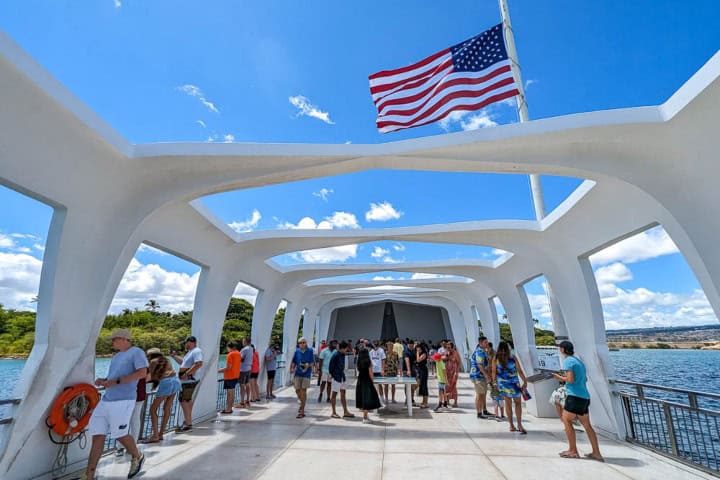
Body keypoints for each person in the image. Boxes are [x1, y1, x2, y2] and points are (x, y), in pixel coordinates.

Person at [82, 329, 147, 480]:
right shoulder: (117, 356)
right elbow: (115, 377)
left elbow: (142, 373)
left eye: (114, 339)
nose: (112, 342)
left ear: (124, 339)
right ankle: (89, 476)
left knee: (119, 434)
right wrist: (105, 380)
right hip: (106, 400)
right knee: (97, 435)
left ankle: (137, 456)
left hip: (123, 400)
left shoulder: (136, 352)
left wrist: (116, 382)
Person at [553, 341, 604, 462]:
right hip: (584, 397)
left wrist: (558, 377)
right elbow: (584, 379)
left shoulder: (568, 361)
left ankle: (572, 451)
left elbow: (570, 380)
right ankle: (596, 453)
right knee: (587, 425)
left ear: (562, 350)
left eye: (559, 348)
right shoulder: (578, 361)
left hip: (574, 396)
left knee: (566, 420)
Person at [145, 348, 181, 441]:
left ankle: (155, 435)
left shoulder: (153, 362)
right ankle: (161, 434)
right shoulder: (167, 360)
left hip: (166, 383)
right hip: (175, 381)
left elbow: (148, 378)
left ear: (150, 356)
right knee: (167, 408)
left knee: (153, 409)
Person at [492, 341, 527, 434]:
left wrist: (494, 383)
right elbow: (520, 371)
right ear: (508, 348)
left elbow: (493, 372)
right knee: (518, 404)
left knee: (508, 404)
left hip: (503, 384)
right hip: (514, 383)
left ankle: (511, 425)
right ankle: (519, 424)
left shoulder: (496, 358)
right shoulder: (512, 358)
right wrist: (525, 381)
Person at [171, 335, 203, 432]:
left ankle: (188, 424)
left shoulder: (197, 351)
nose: (185, 344)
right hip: (187, 380)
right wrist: (174, 356)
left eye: (186, 342)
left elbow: (199, 363)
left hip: (189, 380)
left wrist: (187, 374)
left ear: (192, 342)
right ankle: (187, 421)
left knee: (183, 401)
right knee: (187, 400)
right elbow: (183, 363)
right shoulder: (190, 352)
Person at [329, 341, 355, 419]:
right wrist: (333, 376)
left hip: (342, 377)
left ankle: (345, 411)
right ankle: (333, 412)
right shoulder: (335, 355)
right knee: (334, 394)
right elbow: (331, 367)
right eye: (346, 348)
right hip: (336, 377)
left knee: (343, 393)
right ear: (343, 348)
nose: (347, 350)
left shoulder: (342, 354)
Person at [355, 347, 381, 423]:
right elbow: (371, 373)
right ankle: (365, 417)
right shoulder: (368, 362)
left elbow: (358, 370)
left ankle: (365, 416)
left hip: (360, 380)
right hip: (367, 381)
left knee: (363, 398)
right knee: (368, 398)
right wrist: (372, 380)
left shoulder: (358, 362)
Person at [290, 337, 314, 418]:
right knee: (297, 390)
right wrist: (292, 368)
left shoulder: (310, 351)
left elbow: (312, 363)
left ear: (306, 343)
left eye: (303, 342)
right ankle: (302, 402)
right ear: (298, 344)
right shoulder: (297, 351)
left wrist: (307, 365)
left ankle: (302, 411)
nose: (302, 344)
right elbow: (294, 361)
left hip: (306, 374)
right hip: (297, 373)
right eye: (300, 343)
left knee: (303, 391)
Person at [469, 336, 492, 418]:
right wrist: (486, 375)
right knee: (479, 394)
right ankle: (479, 413)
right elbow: (480, 365)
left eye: (487, 342)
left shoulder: (483, 351)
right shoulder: (479, 352)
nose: (487, 343)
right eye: (485, 342)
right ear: (480, 343)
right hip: (478, 376)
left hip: (481, 376)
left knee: (483, 394)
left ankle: (484, 410)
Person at [218, 341, 240, 414]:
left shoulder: (230, 354)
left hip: (229, 376)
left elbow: (228, 367)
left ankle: (228, 409)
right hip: (236, 375)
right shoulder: (238, 353)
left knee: (229, 394)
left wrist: (218, 370)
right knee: (232, 393)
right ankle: (229, 408)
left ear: (229, 347)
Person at [237, 337, 253, 408]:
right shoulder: (251, 348)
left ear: (246, 341)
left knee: (242, 385)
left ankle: (242, 402)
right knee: (247, 384)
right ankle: (247, 401)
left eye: (243, 341)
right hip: (249, 368)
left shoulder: (244, 349)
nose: (242, 342)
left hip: (242, 369)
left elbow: (241, 359)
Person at [444, 341, 461, 408]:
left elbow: (459, 362)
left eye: (449, 347)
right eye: (447, 347)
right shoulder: (447, 352)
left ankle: (455, 402)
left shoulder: (455, 353)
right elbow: (444, 360)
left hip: (454, 372)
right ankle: (447, 400)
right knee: (447, 386)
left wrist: (457, 372)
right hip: (447, 371)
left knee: (453, 386)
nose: (448, 349)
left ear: (452, 347)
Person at [403, 339, 418, 406]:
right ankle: (407, 399)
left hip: (414, 371)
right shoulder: (405, 351)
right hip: (406, 371)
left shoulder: (415, 351)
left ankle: (411, 399)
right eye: (410, 346)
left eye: (412, 346)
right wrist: (408, 370)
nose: (411, 347)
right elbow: (407, 361)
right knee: (407, 385)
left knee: (413, 386)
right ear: (408, 345)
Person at [415, 342, 429, 408]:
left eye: (419, 349)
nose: (418, 350)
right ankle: (423, 401)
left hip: (423, 370)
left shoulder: (424, 354)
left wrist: (417, 352)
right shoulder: (420, 353)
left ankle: (426, 402)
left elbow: (418, 360)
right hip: (420, 371)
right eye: (417, 349)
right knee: (421, 386)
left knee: (424, 386)